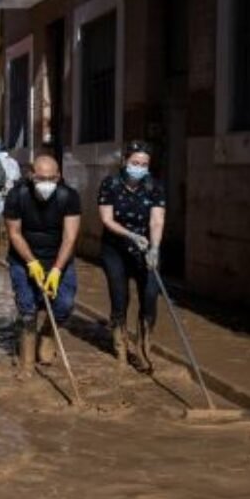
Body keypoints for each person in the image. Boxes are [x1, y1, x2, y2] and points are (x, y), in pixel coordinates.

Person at [4, 154, 81, 376]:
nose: (46, 183)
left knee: (64, 305)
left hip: (58, 258)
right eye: (40, 178)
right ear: (31, 175)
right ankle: (26, 362)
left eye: (51, 179)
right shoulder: (17, 195)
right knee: (27, 308)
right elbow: (14, 234)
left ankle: (47, 333)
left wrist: (56, 269)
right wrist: (32, 263)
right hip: (23, 258)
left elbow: (70, 237)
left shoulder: (69, 196)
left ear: (58, 176)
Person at [97, 140, 166, 372]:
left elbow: (157, 220)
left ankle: (144, 348)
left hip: (145, 249)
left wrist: (154, 248)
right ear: (125, 161)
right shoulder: (110, 184)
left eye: (144, 164)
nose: (139, 168)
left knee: (150, 295)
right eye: (135, 162)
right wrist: (131, 235)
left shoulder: (154, 186)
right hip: (115, 248)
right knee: (120, 297)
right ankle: (120, 347)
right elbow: (107, 220)